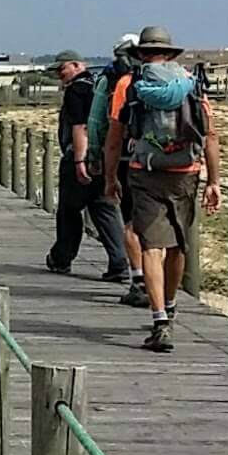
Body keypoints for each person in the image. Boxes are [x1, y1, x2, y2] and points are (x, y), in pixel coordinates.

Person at [104, 26, 221, 353]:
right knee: (178, 245)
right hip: (186, 171)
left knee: (151, 246)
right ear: (171, 54)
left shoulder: (129, 84)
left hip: (145, 171)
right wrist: (214, 181)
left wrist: (110, 178)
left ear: (140, 54)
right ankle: (169, 306)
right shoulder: (191, 83)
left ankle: (159, 321)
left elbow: (115, 138)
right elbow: (209, 134)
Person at [45, 51, 131, 279]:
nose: (59, 75)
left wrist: (79, 161)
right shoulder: (99, 84)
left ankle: (62, 258)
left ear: (76, 65)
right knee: (103, 207)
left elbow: (79, 126)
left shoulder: (76, 90)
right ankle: (119, 261)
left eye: (61, 69)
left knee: (69, 210)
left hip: (81, 158)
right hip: (105, 157)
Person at [87, 34, 151, 306]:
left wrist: (95, 156)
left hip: (127, 159)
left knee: (131, 223)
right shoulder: (177, 78)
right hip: (170, 162)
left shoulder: (116, 80)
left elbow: (98, 121)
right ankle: (165, 294)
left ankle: (139, 281)